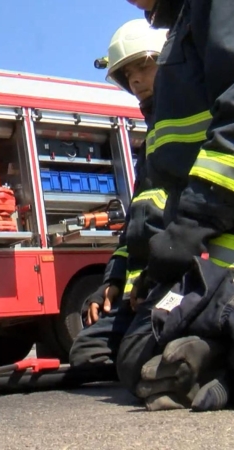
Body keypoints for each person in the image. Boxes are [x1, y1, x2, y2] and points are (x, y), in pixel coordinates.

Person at [116, 0, 234, 411]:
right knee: (135, 357)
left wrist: (189, 228)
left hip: (214, 228)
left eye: (141, 68)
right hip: (207, 238)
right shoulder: (184, 23)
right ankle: (213, 358)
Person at [68, 19, 166, 373]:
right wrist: (111, 282)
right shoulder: (152, 137)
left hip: (178, 277)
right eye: (127, 74)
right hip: (143, 289)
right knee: (86, 354)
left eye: (143, 66)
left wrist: (159, 273)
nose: (135, 80)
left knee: (137, 360)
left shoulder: (192, 121)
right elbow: (135, 228)